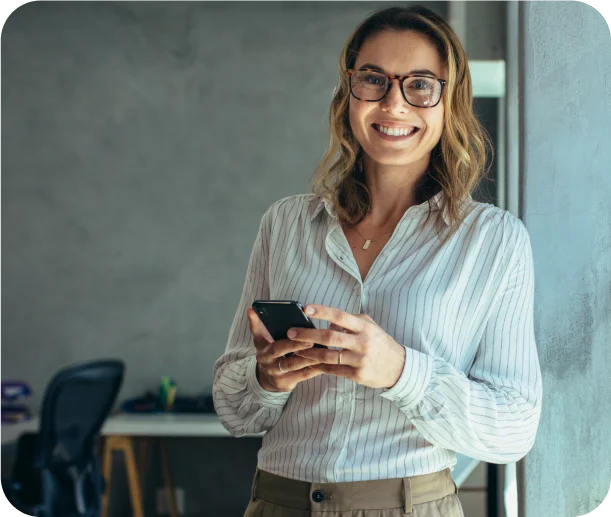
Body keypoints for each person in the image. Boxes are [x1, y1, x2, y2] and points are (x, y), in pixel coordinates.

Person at [213, 5, 543, 517]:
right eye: (373, 80)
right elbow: (234, 410)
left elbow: (514, 429)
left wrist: (400, 372)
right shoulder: (285, 224)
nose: (393, 104)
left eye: (420, 85)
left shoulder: (493, 240)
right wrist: (266, 380)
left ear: (447, 101)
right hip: (277, 503)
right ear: (349, 92)